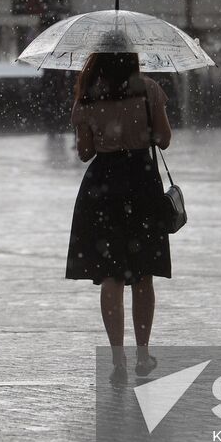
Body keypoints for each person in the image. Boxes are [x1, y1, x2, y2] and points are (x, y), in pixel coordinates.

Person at [66, 51, 172, 388]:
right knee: (143, 273)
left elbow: (85, 152)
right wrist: (141, 129)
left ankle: (117, 359)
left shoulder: (88, 96)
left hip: (103, 188)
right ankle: (143, 353)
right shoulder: (149, 90)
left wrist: (104, 131)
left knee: (110, 275)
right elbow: (164, 139)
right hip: (141, 182)